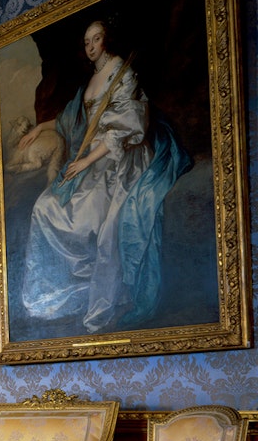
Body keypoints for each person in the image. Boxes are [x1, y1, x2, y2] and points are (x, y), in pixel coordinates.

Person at [18, 19, 190, 334]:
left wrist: (86, 163)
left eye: (96, 40)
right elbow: (76, 117)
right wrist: (42, 128)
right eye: (87, 42)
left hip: (118, 156)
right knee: (44, 207)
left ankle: (108, 293)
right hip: (90, 155)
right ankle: (65, 291)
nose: (91, 47)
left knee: (102, 219)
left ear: (106, 40)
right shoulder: (93, 78)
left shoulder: (121, 73)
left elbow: (127, 125)